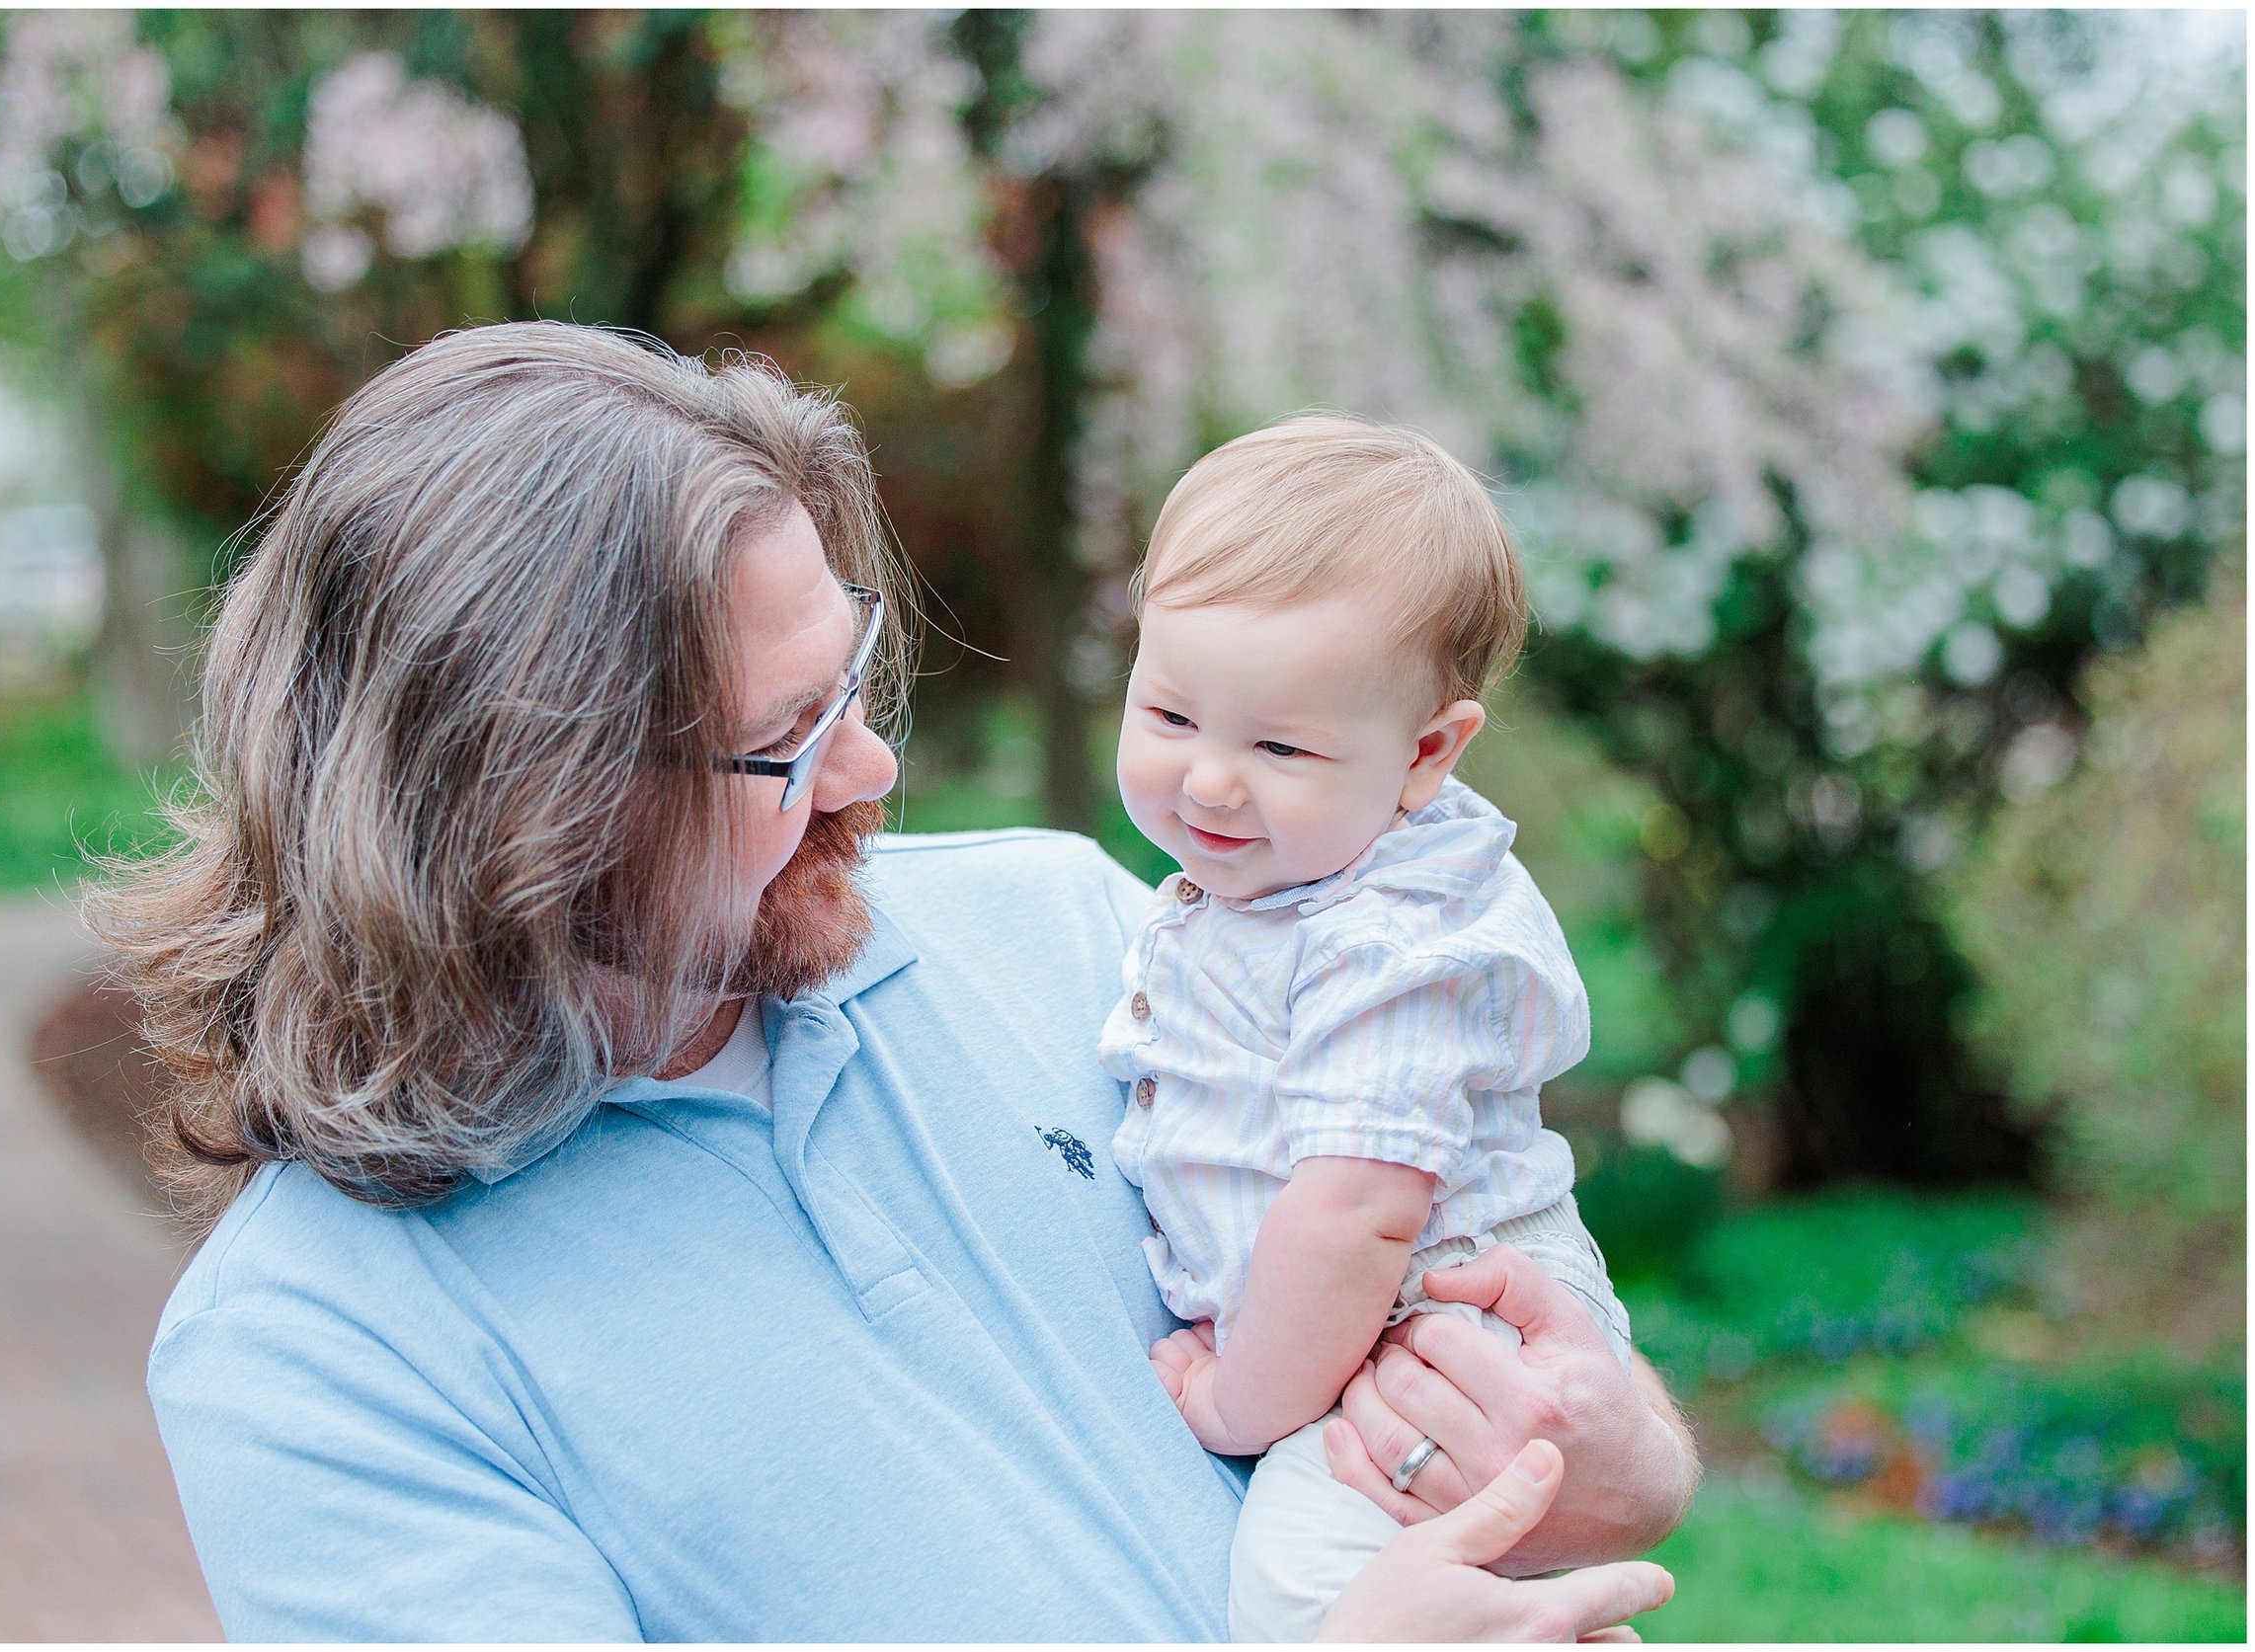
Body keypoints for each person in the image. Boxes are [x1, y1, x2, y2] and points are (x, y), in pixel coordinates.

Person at [93, 322, 1694, 1641]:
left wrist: (1606, 1449)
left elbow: (1577, 1449)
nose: (876, 760)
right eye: (782, 740)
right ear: (520, 812)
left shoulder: (1092, 939)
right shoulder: (322, 1355)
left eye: (848, 674)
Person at [1096, 418, 1633, 1641]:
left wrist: (1242, 1398)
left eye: (1281, 745)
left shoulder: (1392, 946)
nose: (1212, 781)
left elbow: (1356, 1211)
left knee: (1302, 1585)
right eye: (1172, 715)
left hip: (1444, 1342)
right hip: (1357, 1333)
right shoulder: (1274, 884)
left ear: (1425, 754)